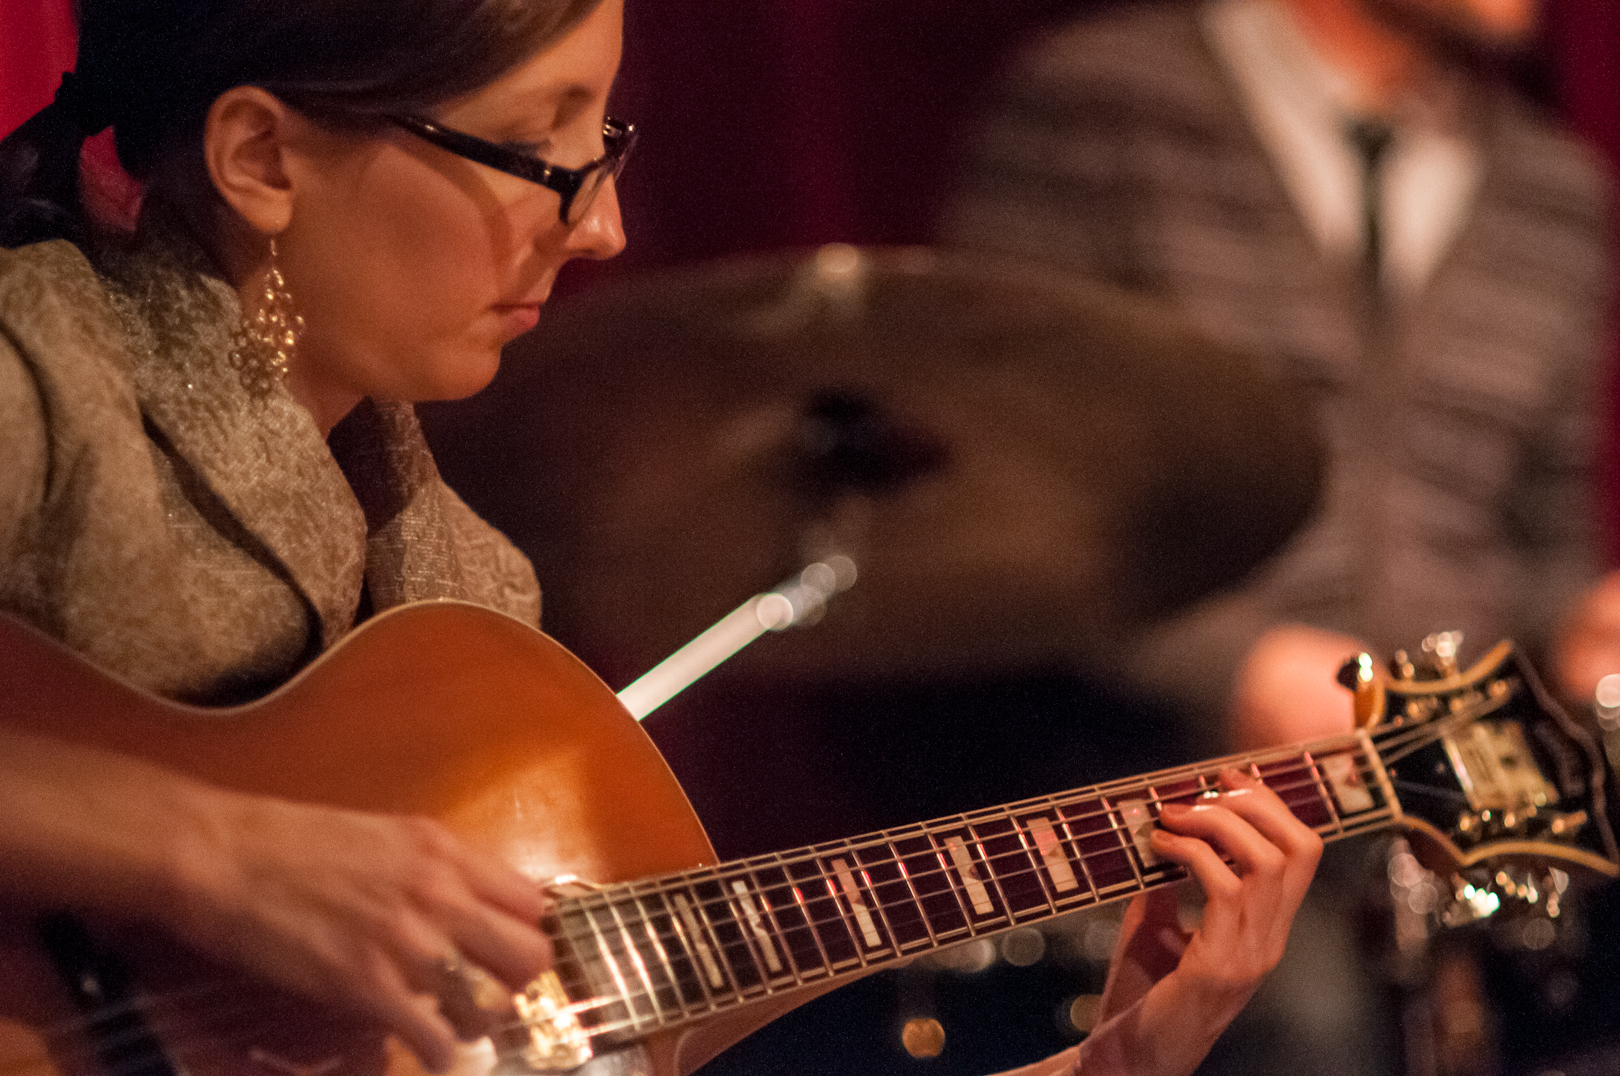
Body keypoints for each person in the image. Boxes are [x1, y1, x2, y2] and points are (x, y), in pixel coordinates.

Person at [0, 2, 1322, 1075]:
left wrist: (1128, 1061)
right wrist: (211, 857)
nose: (602, 227)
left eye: (608, 147)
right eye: (539, 153)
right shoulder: (38, 370)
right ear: (263, 158)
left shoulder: (468, 591)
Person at [942, 0, 1615, 748]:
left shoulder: (1560, 193)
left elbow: (1545, 538)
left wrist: (1578, 632)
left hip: (1453, 783)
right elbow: (1007, 483)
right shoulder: (1103, 105)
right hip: (1172, 786)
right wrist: (1231, 666)